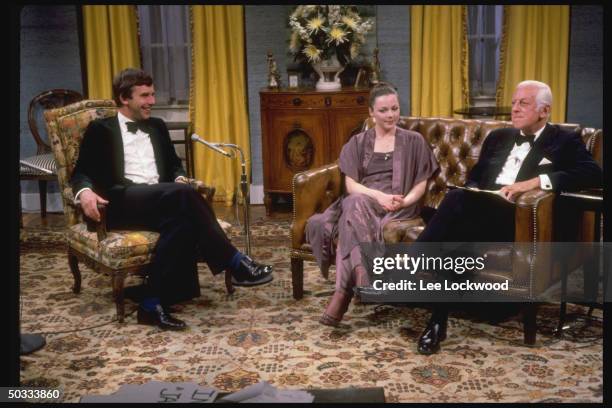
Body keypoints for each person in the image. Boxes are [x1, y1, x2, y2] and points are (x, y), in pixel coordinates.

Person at [71, 68, 273, 331]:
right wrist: (84, 193)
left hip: (161, 199)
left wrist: (179, 179)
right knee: (184, 197)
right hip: (121, 202)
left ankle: (150, 304)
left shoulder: (157, 126)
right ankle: (235, 262)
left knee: (183, 222)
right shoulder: (100, 129)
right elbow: (80, 172)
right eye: (145, 96)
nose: (152, 101)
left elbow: (175, 167)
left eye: (153, 94)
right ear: (124, 98)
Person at [414, 80, 603, 354]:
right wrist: (476, 190)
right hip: (483, 210)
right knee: (457, 235)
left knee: (453, 208)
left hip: (517, 218)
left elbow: (594, 174)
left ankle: (416, 256)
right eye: (514, 103)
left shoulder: (564, 140)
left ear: (544, 111)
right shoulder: (498, 137)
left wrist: (535, 182)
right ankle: (437, 322)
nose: (514, 109)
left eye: (523, 104)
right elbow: (476, 177)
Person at [305, 82, 439, 326]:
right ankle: (363, 274)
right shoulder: (357, 142)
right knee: (354, 203)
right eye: (384, 110)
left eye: (395, 109)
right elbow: (351, 185)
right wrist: (378, 196)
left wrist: (403, 201)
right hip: (367, 198)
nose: (391, 115)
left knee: (349, 216)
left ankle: (343, 294)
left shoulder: (414, 140)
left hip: (400, 204)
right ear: (371, 113)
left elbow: (422, 181)